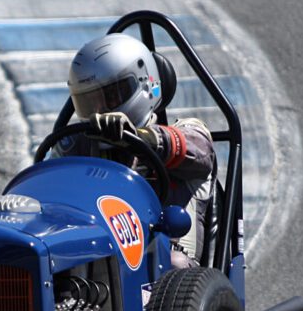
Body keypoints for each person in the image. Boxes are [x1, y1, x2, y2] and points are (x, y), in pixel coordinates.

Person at [56, 33, 217, 269]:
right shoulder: (77, 143)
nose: (100, 111)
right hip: (100, 259)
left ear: (144, 83)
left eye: (109, 97)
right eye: (90, 102)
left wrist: (136, 137)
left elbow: (198, 152)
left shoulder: (191, 132)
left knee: (171, 263)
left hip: (173, 274)